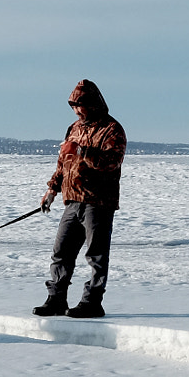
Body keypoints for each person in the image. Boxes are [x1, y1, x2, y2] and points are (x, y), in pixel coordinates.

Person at [35, 79, 126, 318]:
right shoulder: (73, 128)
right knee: (61, 252)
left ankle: (92, 301)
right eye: (74, 106)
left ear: (93, 104)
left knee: (96, 255)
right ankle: (56, 298)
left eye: (81, 105)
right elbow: (63, 163)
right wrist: (52, 189)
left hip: (98, 202)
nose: (77, 110)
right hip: (72, 200)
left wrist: (82, 152)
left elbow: (111, 162)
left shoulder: (112, 130)